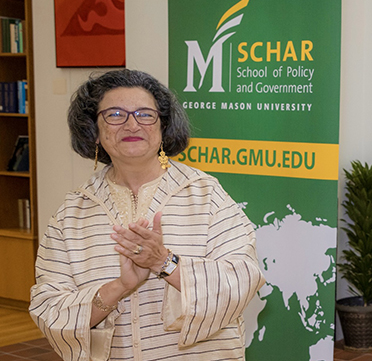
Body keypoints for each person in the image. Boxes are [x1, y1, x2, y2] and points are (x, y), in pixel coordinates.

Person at [30, 69, 265, 360]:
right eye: (115, 115)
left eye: (145, 114)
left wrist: (164, 262)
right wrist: (120, 287)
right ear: (93, 130)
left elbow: (242, 278)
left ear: (163, 126)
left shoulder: (205, 195)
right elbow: (48, 308)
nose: (131, 125)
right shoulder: (72, 214)